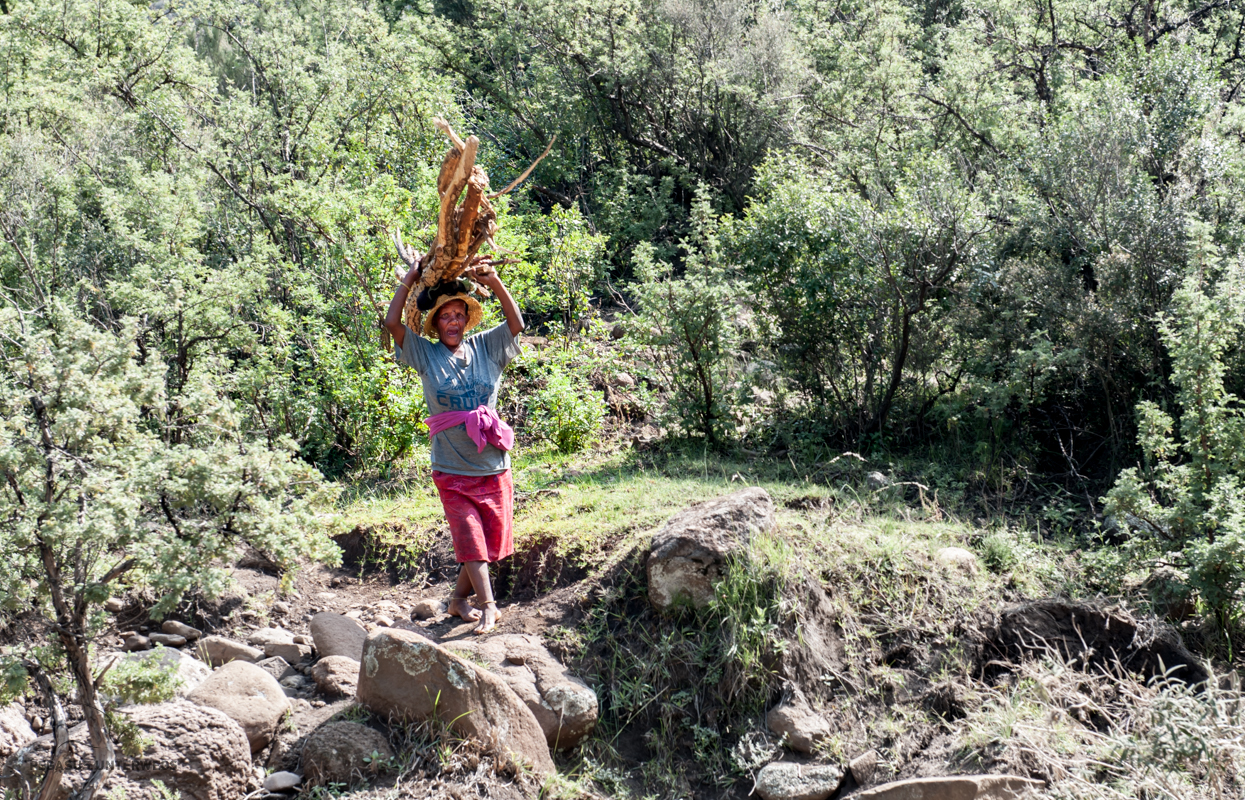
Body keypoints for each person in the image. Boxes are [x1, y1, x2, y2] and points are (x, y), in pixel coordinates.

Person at [383, 259, 524, 634]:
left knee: (490, 544)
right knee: (471, 540)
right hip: (451, 469)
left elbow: (516, 325)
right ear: (435, 322)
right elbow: (393, 324)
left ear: (466, 319)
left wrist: (495, 282)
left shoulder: (486, 347)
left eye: (459, 315)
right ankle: (489, 606)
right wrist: (411, 278)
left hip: (493, 466)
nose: (453, 322)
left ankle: (458, 600)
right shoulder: (426, 354)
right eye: (445, 316)